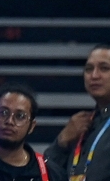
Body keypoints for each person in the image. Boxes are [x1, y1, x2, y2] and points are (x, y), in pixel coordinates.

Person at [46, 44, 110, 181]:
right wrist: (61, 143)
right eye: (88, 69)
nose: (94, 75)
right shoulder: (82, 125)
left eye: (104, 68)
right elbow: (42, 173)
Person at [0, 83, 65, 181]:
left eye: (20, 116)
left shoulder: (53, 174)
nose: (9, 121)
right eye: (4, 112)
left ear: (31, 126)